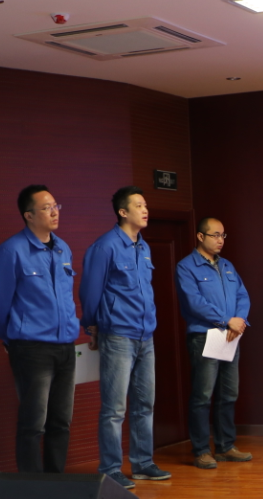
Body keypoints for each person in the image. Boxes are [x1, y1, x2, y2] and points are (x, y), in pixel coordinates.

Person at [0, 185, 79, 474]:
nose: (54, 212)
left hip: (65, 347)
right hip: (31, 348)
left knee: (61, 422)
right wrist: (10, 337)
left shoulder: (63, 248)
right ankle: (33, 488)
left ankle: (55, 483)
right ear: (28, 215)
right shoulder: (11, 251)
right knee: (33, 423)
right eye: (46, 208)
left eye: (56, 206)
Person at [78, 186, 169, 489]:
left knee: (145, 404)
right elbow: (90, 290)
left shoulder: (144, 247)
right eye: (139, 205)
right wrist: (92, 326)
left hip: (146, 335)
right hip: (117, 334)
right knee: (115, 408)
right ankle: (110, 469)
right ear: (122, 212)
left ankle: (143, 464)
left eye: (146, 205)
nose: (145, 210)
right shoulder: (105, 246)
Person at [175, 218, 253, 469]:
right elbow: (194, 302)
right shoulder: (186, 267)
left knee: (229, 394)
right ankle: (201, 450)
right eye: (215, 235)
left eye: (223, 235)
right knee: (203, 396)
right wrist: (225, 320)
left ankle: (225, 446)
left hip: (231, 336)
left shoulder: (227, 265)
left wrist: (239, 320)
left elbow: (242, 295)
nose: (220, 240)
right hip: (205, 336)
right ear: (200, 236)